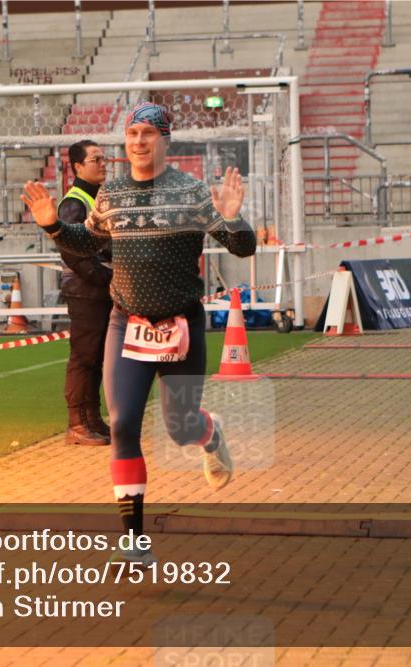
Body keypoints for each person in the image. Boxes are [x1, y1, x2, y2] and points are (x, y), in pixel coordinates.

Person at [21, 101, 256, 566]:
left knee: (179, 427)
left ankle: (210, 433)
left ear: (165, 140)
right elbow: (87, 240)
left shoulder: (189, 192)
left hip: (181, 325)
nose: (139, 142)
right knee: (124, 423)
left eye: (149, 133)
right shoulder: (111, 193)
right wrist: (52, 225)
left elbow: (242, 247)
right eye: (132, 135)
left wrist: (231, 217)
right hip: (125, 323)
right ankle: (134, 540)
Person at [59, 140, 113, 447]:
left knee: (96, 358)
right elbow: (72, 251)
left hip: (98, 287)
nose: (103, 163)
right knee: (83, 357)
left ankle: (92, 420)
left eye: (104, 158)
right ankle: (77, 423)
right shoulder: (74, 202)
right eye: (96, 159)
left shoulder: (97, 197)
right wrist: (103, 276)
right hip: (85, 290)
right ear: (78, 166)